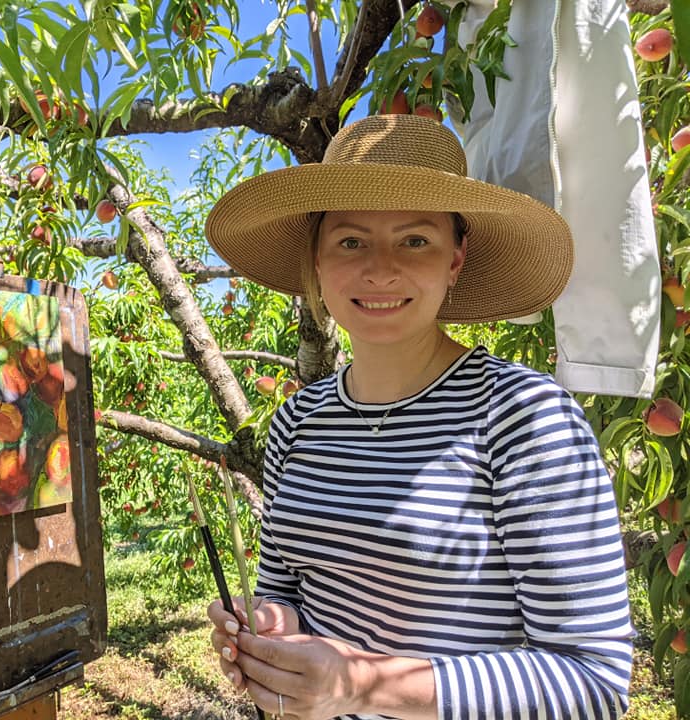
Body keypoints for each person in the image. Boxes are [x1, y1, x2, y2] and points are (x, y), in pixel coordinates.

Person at [202, 114, 634, 720]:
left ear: (456, 259)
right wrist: (266, 623)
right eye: (350, 241)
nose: (381, 269)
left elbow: (594, 681)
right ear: (318, 265)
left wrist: (362, 686)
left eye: (415, 240)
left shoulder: (522, 418)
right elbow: (284, 588)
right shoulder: (298, 421)